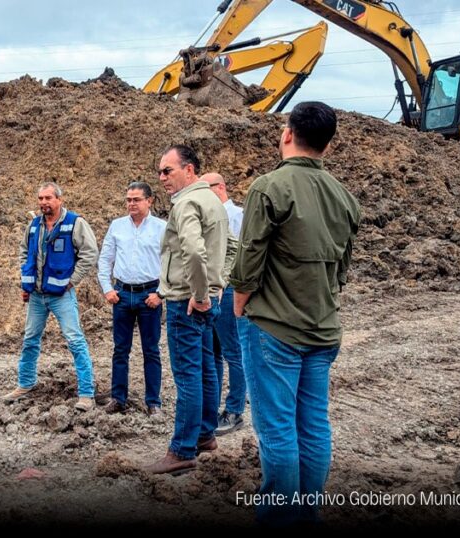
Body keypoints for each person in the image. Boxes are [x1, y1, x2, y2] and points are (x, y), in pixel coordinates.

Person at [230, 101, 361, 525]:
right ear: (329, 143)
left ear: (287, 133)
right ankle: (306, 515)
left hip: (274, 328)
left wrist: (238, 305)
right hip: (323, 330)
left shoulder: (269, 187)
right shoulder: (345, 197)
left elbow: (249, 258)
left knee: (278, 431)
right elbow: (341, 269)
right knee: (314, 426)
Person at [144, 145, 229, 475]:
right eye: (160, 172)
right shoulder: (213, 200)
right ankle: (205, 435)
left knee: (188, 376)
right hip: (207, 300)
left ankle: (181, 450)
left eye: (168, 170)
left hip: (186, 302)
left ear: (190, 170)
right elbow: (231, 246)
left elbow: (194, 252)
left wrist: (200, 293)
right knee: (207, 369)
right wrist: (215, 288)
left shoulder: (187, 203)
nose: (162, 177)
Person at [3, 182, 99, 411]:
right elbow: (24, 252)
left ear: (59, 200)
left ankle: (86, 394)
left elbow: (90, 253)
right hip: (37, 295)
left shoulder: (75, 223)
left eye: (48, 198)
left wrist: (71, 282)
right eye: (41, 198)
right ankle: (25, 384)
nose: (44, 202)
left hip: (61, 295)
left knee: (75, 341)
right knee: (29, 340)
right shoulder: (34, 225)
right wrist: (27, 281)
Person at [96, 181, 166, 416]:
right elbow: (105, 259)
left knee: (151, 350)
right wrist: (107, 288)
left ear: (149, 201)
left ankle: (153, 402)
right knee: (120, 349)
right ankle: (118, 398)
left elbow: (171, 262)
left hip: (150, 294)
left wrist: (161, 293)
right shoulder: (117, 226)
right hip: (122, 294)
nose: (131, 204)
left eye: (136, 199)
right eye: (128, 199)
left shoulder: (161, 228)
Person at [200, 172, 247, 436]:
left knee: (233, 351)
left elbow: (243, 253)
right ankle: (213, 408)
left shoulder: (238, 216)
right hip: (211, 289)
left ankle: (234, 410)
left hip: (228, 289)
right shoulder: (209, 216)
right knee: (214, 351)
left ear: (220, 187)